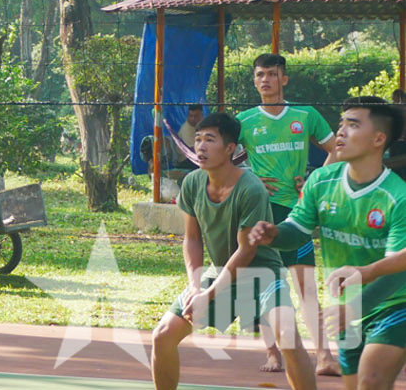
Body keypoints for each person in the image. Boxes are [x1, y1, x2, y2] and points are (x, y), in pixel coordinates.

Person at [249, 97, 406, 390]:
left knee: (371, 379)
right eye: (341, 123)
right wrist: (276, 234)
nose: (340, 132)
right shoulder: (320, 181)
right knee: (355, 385)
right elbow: (297, 230)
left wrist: (357, 307)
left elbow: (399, 269)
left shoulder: (397, 196)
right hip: (344, 307)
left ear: (378, 139)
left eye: (353, 125)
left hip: (394, 304)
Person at [148, 112, 312, 390]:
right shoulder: (192, 183)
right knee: (162, 334)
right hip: (220, 271)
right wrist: (195, 287)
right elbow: (192, 239)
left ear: (230, 149)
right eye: (198, 139)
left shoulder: (251, 188)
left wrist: (209, 294)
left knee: (287, 336)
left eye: (209, 140)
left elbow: (246, 251)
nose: (200, 146)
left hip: (262, 274)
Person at [242, 52, 339, 375]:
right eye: (260, 75)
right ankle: (273, 353)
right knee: (265, 284)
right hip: (260, 212)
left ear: (284, 78)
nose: (265, 80)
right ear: (254, 81)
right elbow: (219, 156)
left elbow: (337, 149)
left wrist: (314, 179)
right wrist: (249, 178)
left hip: (296, 214)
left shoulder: (305, 114)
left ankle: (324, 356)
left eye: (272, 74)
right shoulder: (244, 120)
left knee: (306, 285)